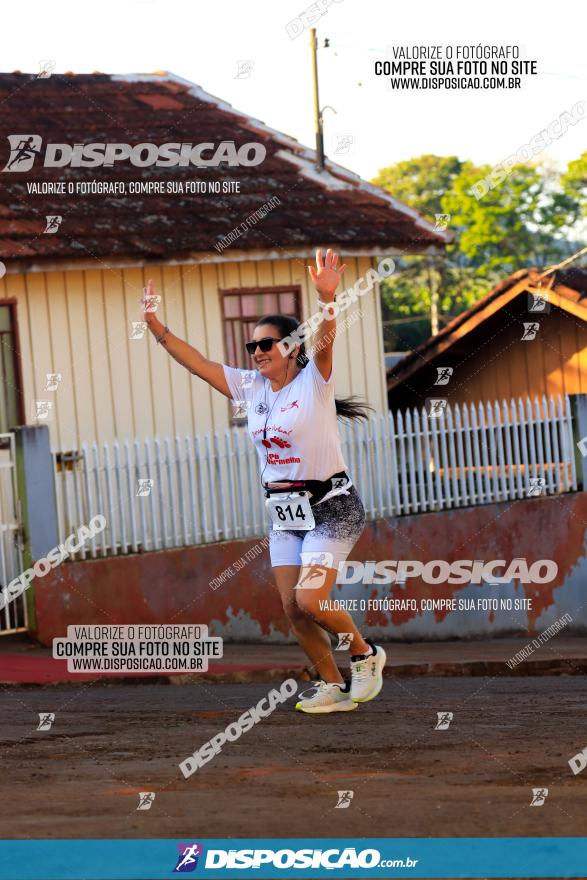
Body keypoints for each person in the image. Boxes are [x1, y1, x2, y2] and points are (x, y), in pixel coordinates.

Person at [142, 248, 386, 714]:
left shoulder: (313, 381)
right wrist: (157, 328)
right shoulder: (251, 388)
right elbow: (196, 363)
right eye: (251, 346)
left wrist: (327, 299)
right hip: (285, 512)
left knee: (312, 598)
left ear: (290, 348)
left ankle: (364, 652)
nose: (256, 353)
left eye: (265, 345)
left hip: (332, 505)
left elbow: (328, 339)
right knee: (293, 609)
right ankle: (333, 686)